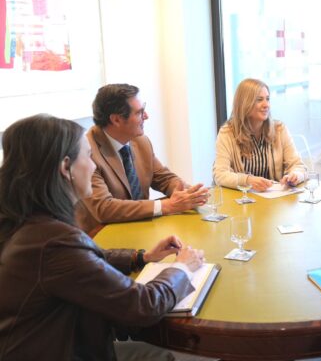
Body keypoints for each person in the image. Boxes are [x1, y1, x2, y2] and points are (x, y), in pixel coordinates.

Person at [0, 115, 206, 360]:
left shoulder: (27, 221)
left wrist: (142, 256)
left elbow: (83, 261)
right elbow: (144, 305)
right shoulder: (52, 242)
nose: (95, 166)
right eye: (87, 157)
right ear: (66, 168)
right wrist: (183, 268)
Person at [75, 83, 208, 234]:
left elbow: (163, 178)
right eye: (139, 112)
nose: (146, 116)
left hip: (142, 229)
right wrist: (167, 206)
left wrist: (189, 193)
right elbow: (104, 208)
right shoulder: (86, 153)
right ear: (116, 120)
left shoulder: (140, 141)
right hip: (102, 237)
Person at [213, 78, 306, 192]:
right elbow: (220, 175)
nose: (266, 105)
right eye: (259, 100)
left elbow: (298, 166)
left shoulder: (279, 130)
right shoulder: (227, 133)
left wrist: (295, 175)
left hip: (273, 200)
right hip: (242, 200)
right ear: (245, 103)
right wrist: (248, 180)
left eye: (267, 99)